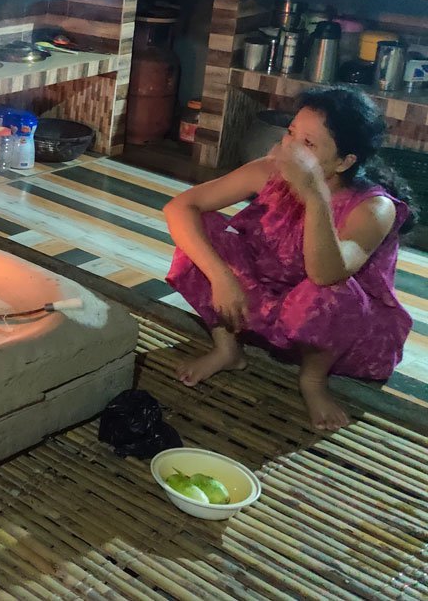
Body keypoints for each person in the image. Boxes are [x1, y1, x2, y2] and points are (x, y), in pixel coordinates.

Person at [164, 87, 414, 433]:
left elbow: (327, 274)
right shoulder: (269, 171)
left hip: (339, 326)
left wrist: (314, 195)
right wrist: (221, 277)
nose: (290, 149)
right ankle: (227, 349)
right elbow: (180, 207)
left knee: (332, 290)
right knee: (202, 233)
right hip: (269, 297)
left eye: (308, 145)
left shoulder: (375, 208)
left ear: (344, 162)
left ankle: (312, 379)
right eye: (292, 133)